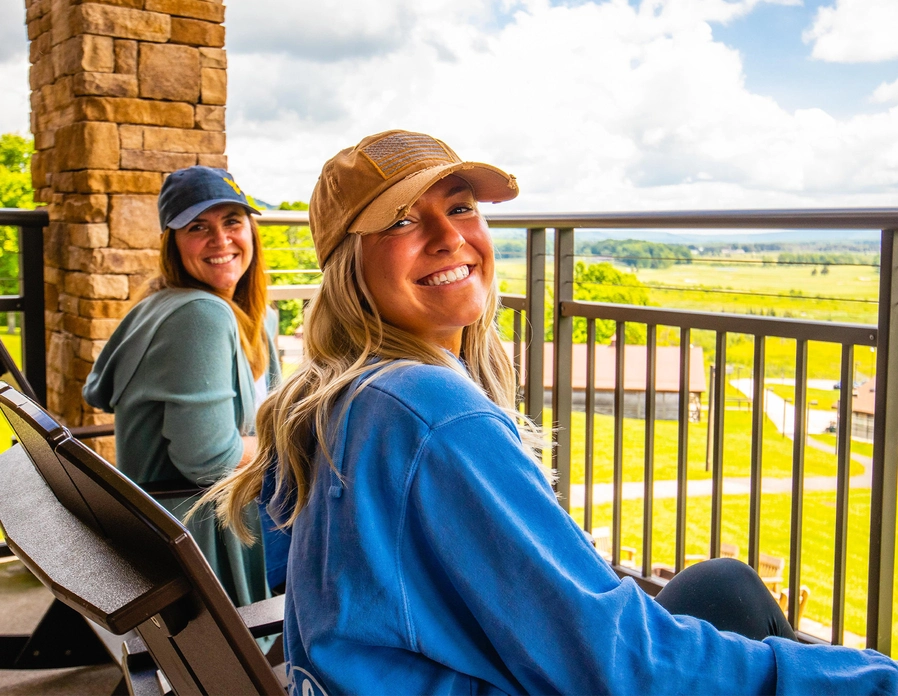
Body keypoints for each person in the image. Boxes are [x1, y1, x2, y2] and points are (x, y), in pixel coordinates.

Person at [204, 131, 897, 694]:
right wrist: (866, 679)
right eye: (404, 220)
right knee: (743, 610)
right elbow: (614, 666)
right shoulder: (428, 413)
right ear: (348, 265)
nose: (450, 237)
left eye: (462, 207)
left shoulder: (329, 402)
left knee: (720, 586)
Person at [83, 165, 281, 607]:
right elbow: (210, 460)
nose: (221, 240)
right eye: (197, 227)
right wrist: (281, 445)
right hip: (196, 546)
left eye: (233, 220)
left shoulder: (241, 314)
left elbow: (278, 410)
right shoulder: (199, 316)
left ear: (251, 229)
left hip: (182, 527)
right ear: (172, 243)